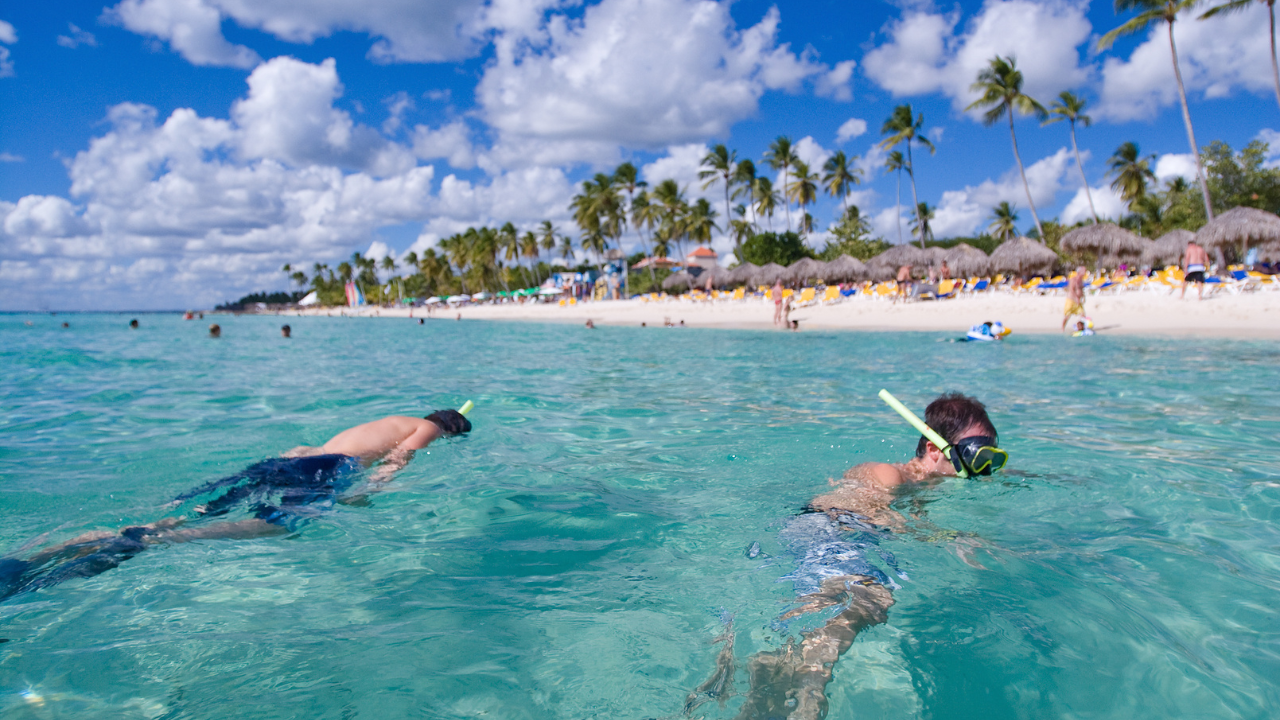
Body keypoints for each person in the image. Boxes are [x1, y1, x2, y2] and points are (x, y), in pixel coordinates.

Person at [702, 394, 1004, 720]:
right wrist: (952, 538)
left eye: (993, 457)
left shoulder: (922, 485)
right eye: (977, 455)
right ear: (934, 449)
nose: (983, 469)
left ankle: (777, 667)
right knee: (868, 598)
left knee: (846, 607)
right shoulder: (890, 474)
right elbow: (875, 512)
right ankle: (803, 693)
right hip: (830, 531)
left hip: (846, 538)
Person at [0, 410, 472, 601]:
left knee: (186, 512)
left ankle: (53, 551)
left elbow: (309, 447)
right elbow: (397, 459)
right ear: (448, 428)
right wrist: (366, 493)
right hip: (327, 469)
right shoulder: (428, 427)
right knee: (279, 527)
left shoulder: (390, 415)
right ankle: (155, 542)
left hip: (294, 459)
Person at [1061, 266, 1087, 332]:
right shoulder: (1073, 279)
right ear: (1079, 272)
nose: (1084, 273)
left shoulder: (1081, 280)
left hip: (1078, 300)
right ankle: (1062, 328)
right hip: (1071, 300)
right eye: (1083, 271)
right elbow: (1072, 290)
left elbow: (1081, 289)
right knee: (1067, 316)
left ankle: (1081, 327)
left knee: (1082, 314)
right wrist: (1076, 298)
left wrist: (1083, 297)